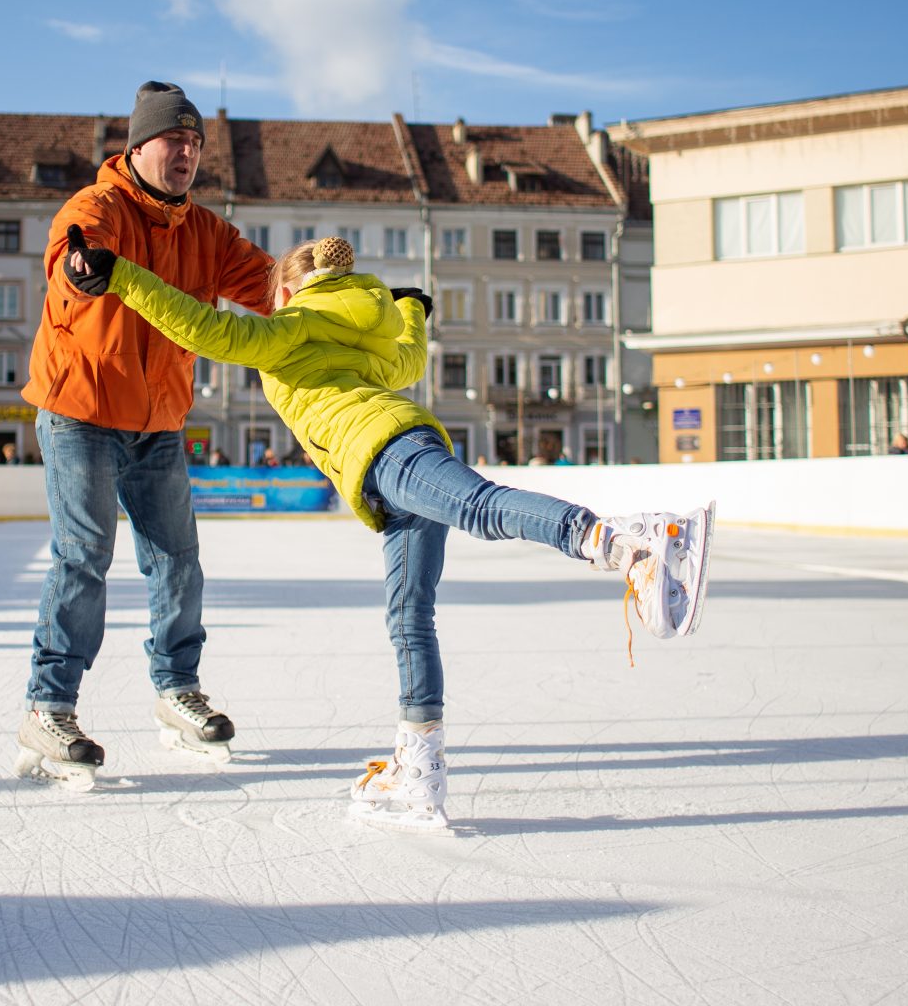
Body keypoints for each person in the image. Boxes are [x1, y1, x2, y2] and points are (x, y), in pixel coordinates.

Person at [70, 231, 715, 831]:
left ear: (288, 292)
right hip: (397, 451)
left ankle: (625, 542)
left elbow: (205, 327)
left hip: (386, 455)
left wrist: (122, 276)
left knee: (481, 507)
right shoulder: (367, 335)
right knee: (409, 614)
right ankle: (418, 773)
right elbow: (407, 361)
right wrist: (409, 309)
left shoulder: (287, 328)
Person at [13, 81, 276, 790]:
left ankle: (176, 691)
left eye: (195, 143)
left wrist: (350, 293)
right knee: (84, 556)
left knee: (177, 561)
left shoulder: (207, 232)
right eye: (174, 141)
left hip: (157, 421)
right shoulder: (97, 209)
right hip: (81, 412)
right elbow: (70, 259)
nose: (186, 153)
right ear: (136, 147)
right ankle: (49, 707)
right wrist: (81, 271)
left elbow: (270, 283)